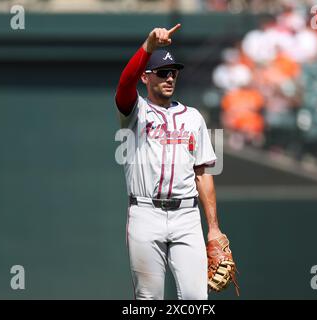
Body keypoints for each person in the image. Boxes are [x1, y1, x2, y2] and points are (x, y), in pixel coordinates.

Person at [115, 24, 227, 300]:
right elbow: (124, 83)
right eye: (163, 72)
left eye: (173, 73)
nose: (169, 78)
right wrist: (149, 46)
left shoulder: (193, 117)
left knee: (195, 298)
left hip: (186, 216)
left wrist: (213, 228)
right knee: (149, 299)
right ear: (146, 77)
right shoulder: (136, 111)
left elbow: (203, 173)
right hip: (145, 212)